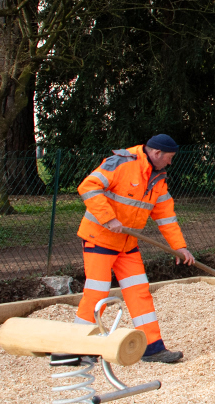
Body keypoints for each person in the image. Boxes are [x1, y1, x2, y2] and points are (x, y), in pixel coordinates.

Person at [75, 133, 193, 363]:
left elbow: (166, 216)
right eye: (169, 157)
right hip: (99, 238)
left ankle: (152, 348)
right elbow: (88, 186)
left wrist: (180, 247)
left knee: (140, 293)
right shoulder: (121, 163)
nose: (171, 162)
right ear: (157, 153)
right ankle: (79, 348)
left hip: (127, 245)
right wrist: (108, 218)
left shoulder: (158, 177)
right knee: (97, 293)